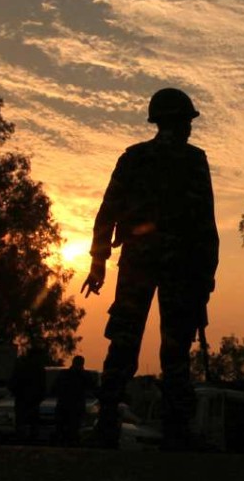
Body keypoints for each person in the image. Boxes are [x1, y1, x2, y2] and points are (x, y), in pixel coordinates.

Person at [82, 88, 219, 450]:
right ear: (179, 122)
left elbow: (106, 212)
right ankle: (174, 428)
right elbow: (206, 224)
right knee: (174, 350)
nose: (189, 128)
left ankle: (108, 420)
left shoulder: (134, 158)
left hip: (139, 263)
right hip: (180, 268)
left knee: (125, 341)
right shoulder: (193, 161)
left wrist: (98, 262)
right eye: (187, 121)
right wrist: (205, 278)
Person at [53, 355, 91, 446]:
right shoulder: (67, 374)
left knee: (70, 431)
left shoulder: (80, 375)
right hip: (68, 407)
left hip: (70, 407)